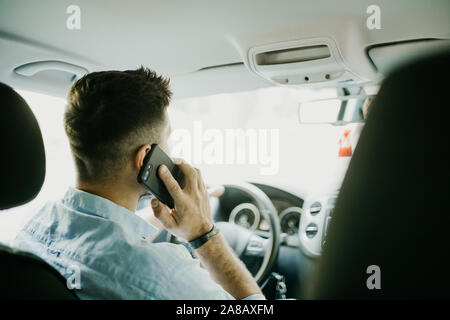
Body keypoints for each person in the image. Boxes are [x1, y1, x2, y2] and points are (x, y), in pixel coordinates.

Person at [12, 67, 264, 300]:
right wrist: (203, 233)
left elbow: (101, 233)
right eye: (168, 141)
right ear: (145, 158)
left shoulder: (34, 226)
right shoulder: (164, 275)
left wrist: (168, 218)